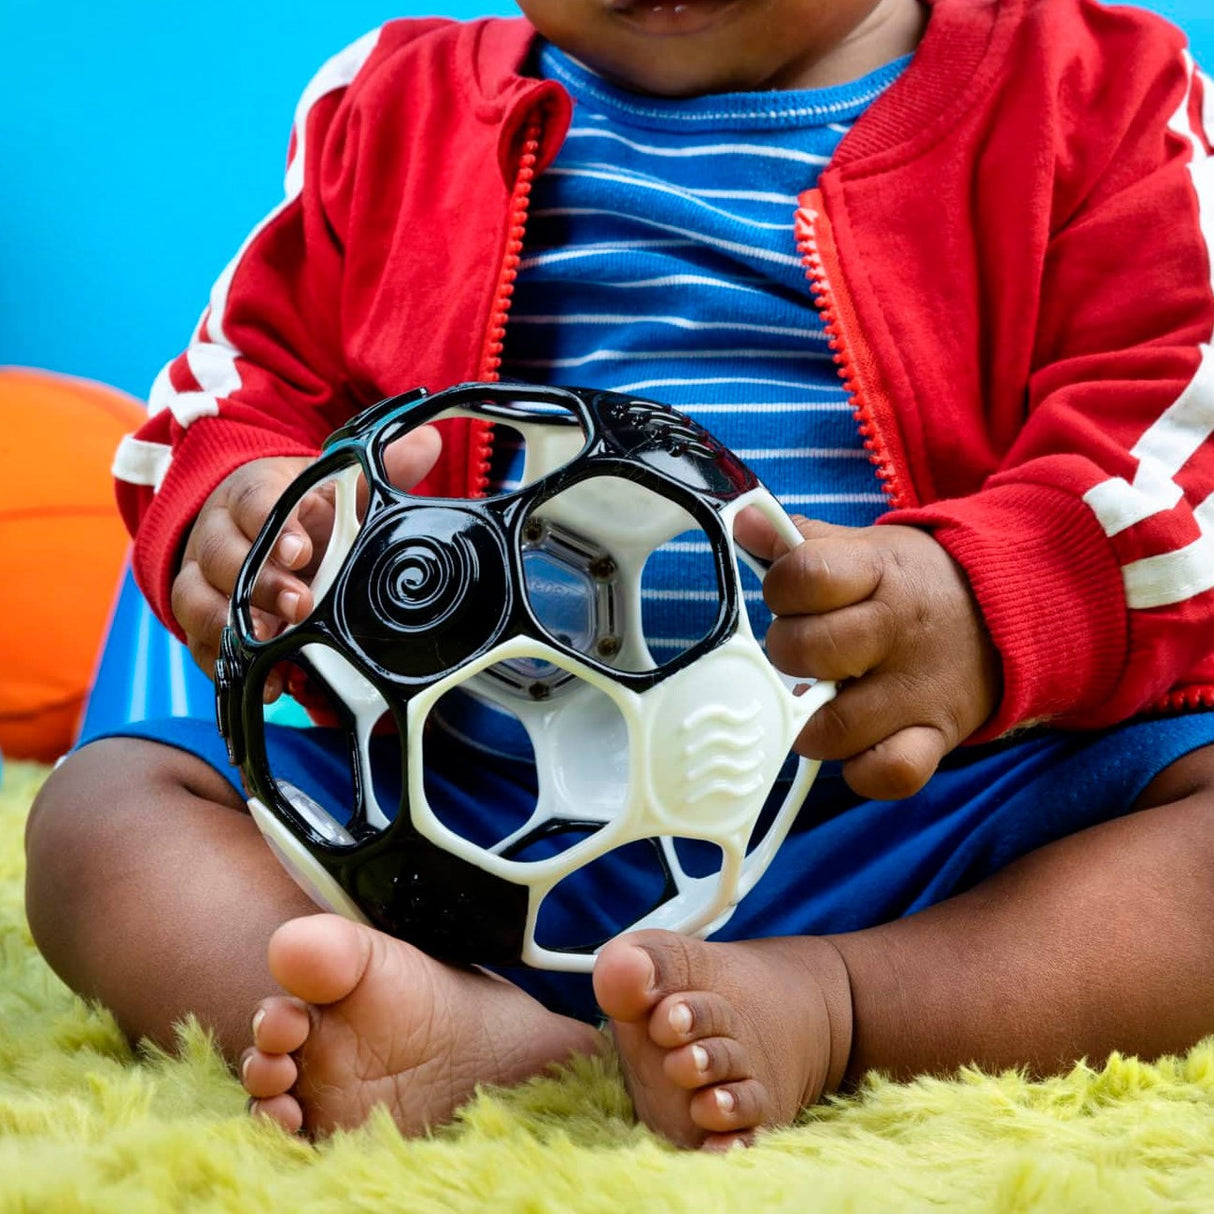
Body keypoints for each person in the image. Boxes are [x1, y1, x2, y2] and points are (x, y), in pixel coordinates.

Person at [23, 0, 1214, 1152]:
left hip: (900, 824)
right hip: (446, 812)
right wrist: (240, 507)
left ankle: (839, 999)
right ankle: (387, 1007)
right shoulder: (389, 105)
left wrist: (988, 596)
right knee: (103, 812)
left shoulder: (1099, 93)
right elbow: (236, 382)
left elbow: (1177, 416)